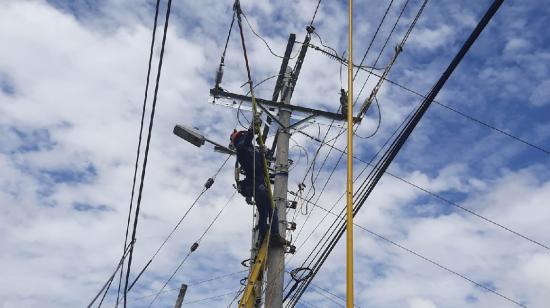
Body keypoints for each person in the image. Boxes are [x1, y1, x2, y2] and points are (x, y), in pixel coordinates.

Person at [230, 128, 287, 247]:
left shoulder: (254, 150)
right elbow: (246, 142)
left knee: (265, 212)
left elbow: (263, 165)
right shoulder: (242, 149)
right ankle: (273, 236)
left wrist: (265, 153)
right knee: (271, 209)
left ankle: (263, 237)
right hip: (257, 185)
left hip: (260, 184)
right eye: (243, 136)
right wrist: (252, 130)